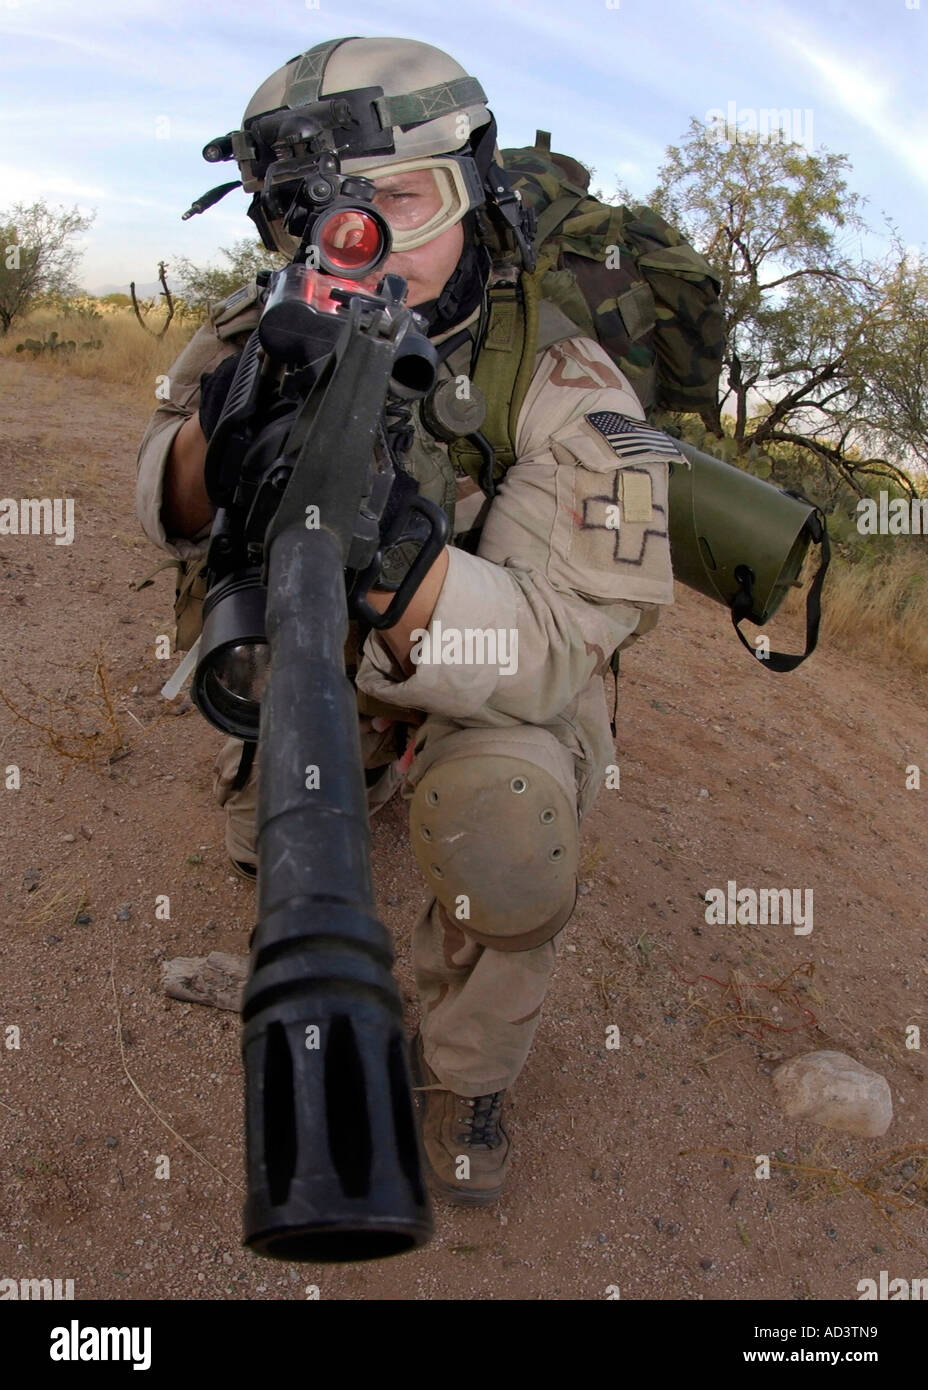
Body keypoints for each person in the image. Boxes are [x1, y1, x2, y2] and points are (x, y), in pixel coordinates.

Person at [135, 35, 675, 1208]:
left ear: (472, 185)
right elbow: (160, 508)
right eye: (311, 208)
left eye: (398, 200)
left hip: (477, 667)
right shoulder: (256, 322)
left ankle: (459, 1070)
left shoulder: (569, 380)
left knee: (505, 819)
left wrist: (387, 546)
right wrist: (217, 438)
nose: (354, 238)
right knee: (263, 825)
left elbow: (539, 650)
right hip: (317, 656)